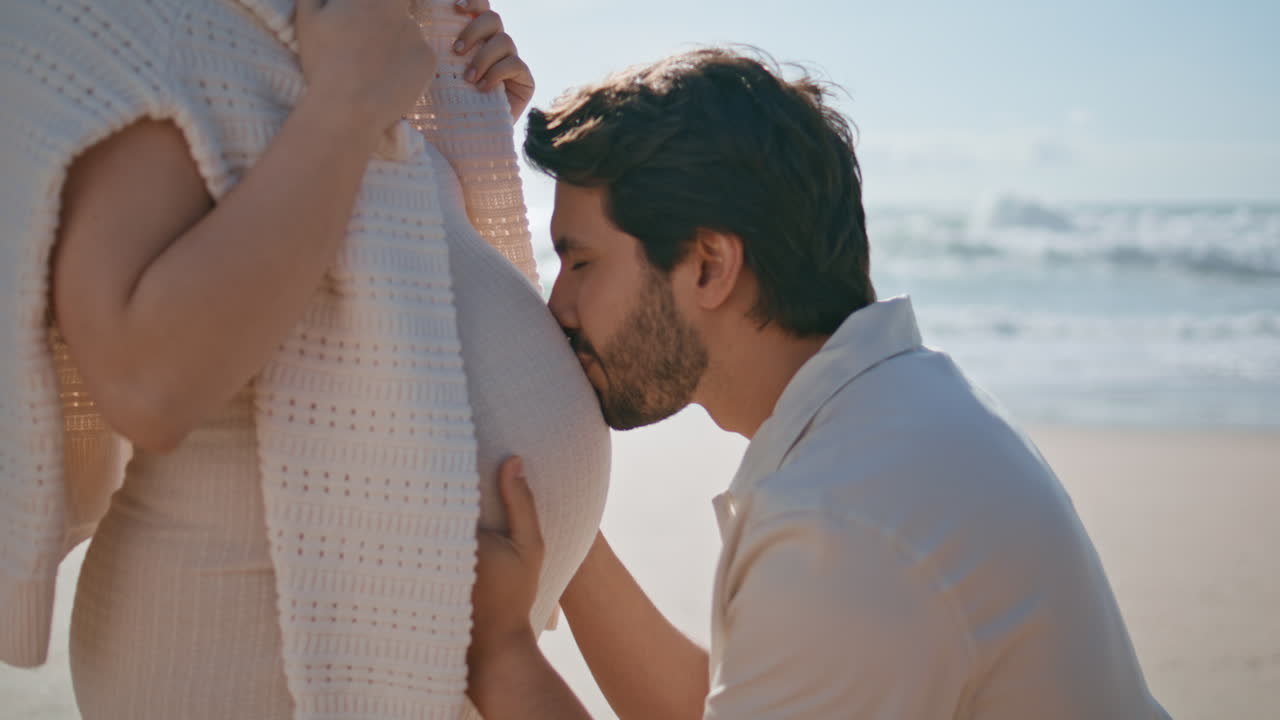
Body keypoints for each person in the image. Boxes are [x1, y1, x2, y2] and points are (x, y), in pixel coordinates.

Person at [465, 48, 1172, 719]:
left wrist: (502, 654)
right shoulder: (899, 413)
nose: (558, 308)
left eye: (580, 263)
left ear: (709, 265)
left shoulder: (843, 523)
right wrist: (559, 518)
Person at [0, 1, 608, 718]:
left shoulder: (347, 37)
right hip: (244, 658)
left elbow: (373, 283)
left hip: (439, 644)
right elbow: (148, 384)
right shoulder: (159, 22)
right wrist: (351, 103)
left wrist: (465, 128)